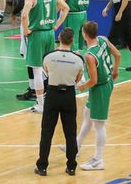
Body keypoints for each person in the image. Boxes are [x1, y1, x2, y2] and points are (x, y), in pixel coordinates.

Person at [35, 27, 84, 177]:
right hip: (68, 95)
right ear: (72, 41)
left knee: (47, 131)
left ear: (60, 39)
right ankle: (71, 167)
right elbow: (78, 79)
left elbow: (46, 71)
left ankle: (42, 166)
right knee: (70, 132)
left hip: (53, 94)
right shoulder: (78, 59)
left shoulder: (48, 56)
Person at [73, 21, 121, 172]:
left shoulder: (89, 56)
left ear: (84, 34)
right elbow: (118, 54)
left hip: (100, 88)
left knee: (99, 124)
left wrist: (82, 86)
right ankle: (75, 146)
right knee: (87, 114)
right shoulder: (103, 39)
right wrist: (115, 70)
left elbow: (93, 80)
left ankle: (98, 160)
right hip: (106, 82)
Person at [22, 0, 69, 113]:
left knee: (37, 70)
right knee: (50, 68)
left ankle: (41, 104)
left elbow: (24, 15)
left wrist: (26, 31)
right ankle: (55, 97)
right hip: (49, 33)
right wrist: (56, 25)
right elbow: (66, 8)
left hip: (37, 34)